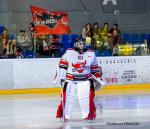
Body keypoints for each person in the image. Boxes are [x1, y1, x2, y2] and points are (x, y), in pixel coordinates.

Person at [53, 39, 105, 122]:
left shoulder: (91, 53)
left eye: (83, 43)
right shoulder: (69, 52)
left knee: (86, 99)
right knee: (67, 99)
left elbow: (94, 68)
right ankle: (65, 115)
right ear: (75, 44)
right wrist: (60, 77)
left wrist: (98, 78)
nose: (82, 45)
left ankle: (87, 115)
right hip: (70, 80)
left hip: (86, 80)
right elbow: (62, 66)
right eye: (80, 44)